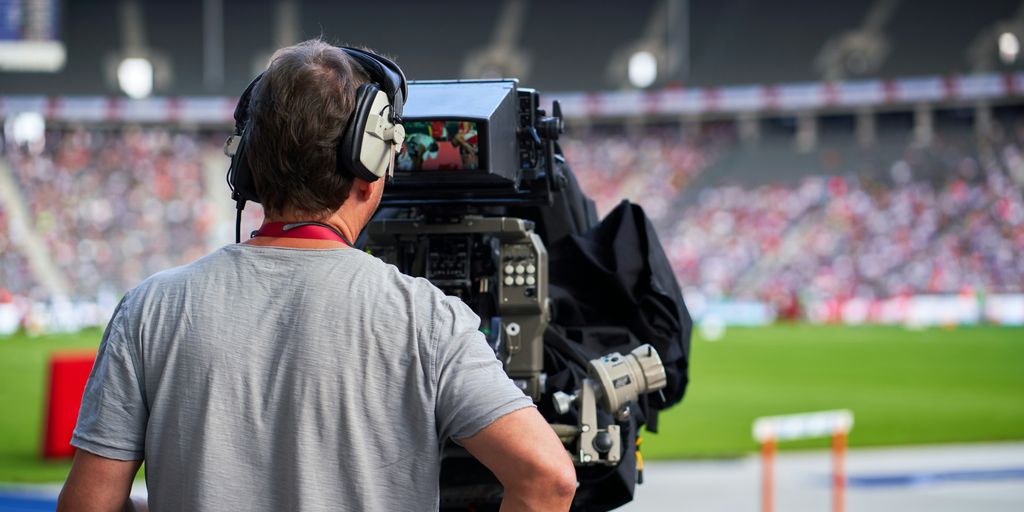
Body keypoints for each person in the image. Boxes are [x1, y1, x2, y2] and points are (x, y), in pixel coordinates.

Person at [57, 39, 576, 512]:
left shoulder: (150, 308)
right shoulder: (427, 318)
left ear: (247, 168)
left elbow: (87, 505)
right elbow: (548, 479)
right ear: (370, 166)